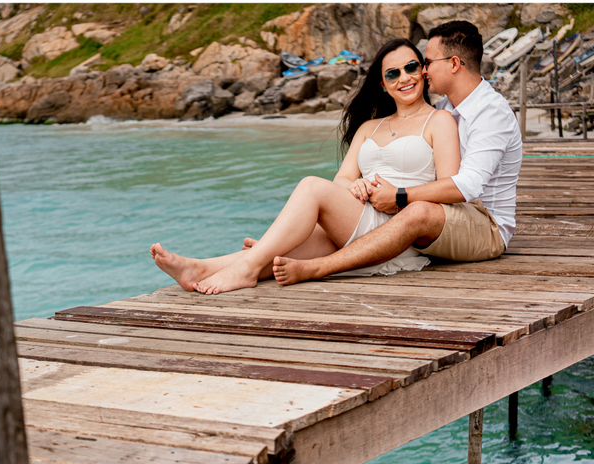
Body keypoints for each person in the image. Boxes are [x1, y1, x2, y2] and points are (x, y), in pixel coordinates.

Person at [151, 38, 460, 294]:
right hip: (360, 216)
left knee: (311, 187)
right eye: (393, 74)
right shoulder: (369, 127)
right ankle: (200, 267)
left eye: (411, 67)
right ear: (382, 84)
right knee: (284, 249)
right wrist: (357, 184)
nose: (404, 78)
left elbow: (450, 187)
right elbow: (342, 179)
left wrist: (400, 194)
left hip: (397, 231)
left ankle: (246, 267)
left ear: (423, 71)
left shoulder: (439, 121)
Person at [271, 20, 522, 286]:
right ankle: (272, 251)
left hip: (487, 226)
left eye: (427, 62)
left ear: (454, 64)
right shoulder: (447, 106)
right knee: (334, 222)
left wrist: (399, 195)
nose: (424, 71)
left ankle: (319, 267)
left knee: (417, 212)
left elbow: (468, 184)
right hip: (451, 217)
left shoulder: (491, 112)